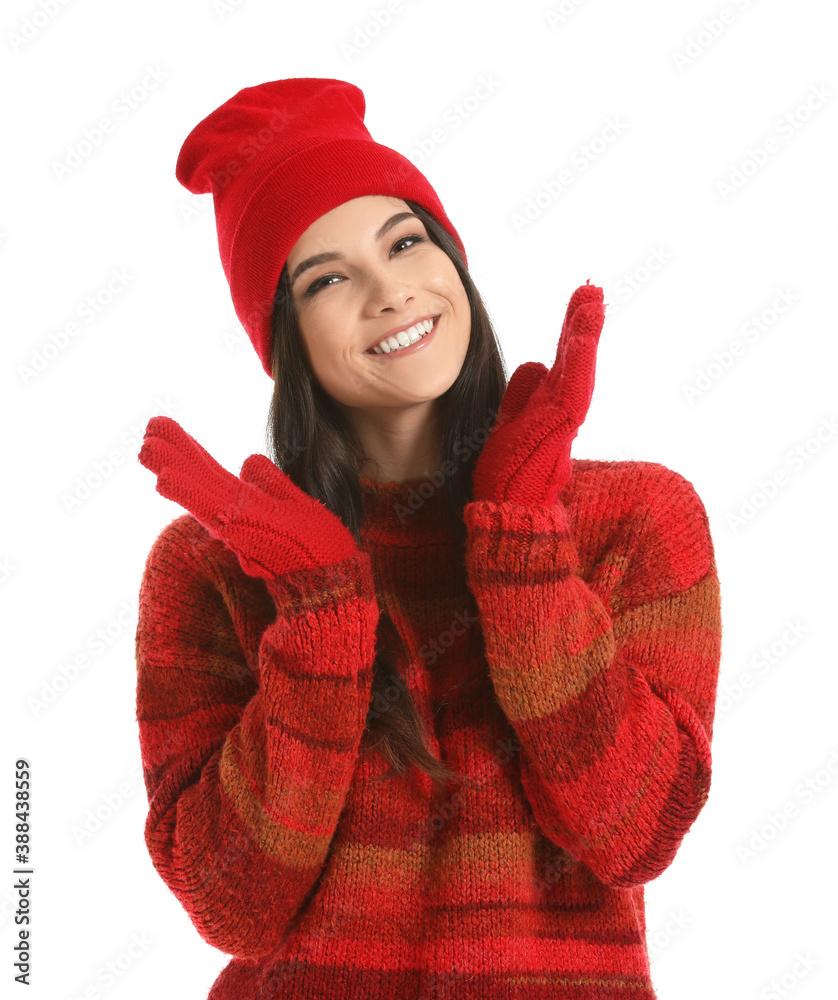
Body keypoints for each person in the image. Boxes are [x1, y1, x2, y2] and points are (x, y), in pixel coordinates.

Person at [134, 77, 722, 1000]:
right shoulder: (214, 566)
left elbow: (637, 832)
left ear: (452, 259)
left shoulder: (635, 520)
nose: (390, 289)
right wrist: (320, 617)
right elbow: (235, 906)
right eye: (327, 277)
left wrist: (526, 553)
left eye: (405, 240)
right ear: (282, 339)